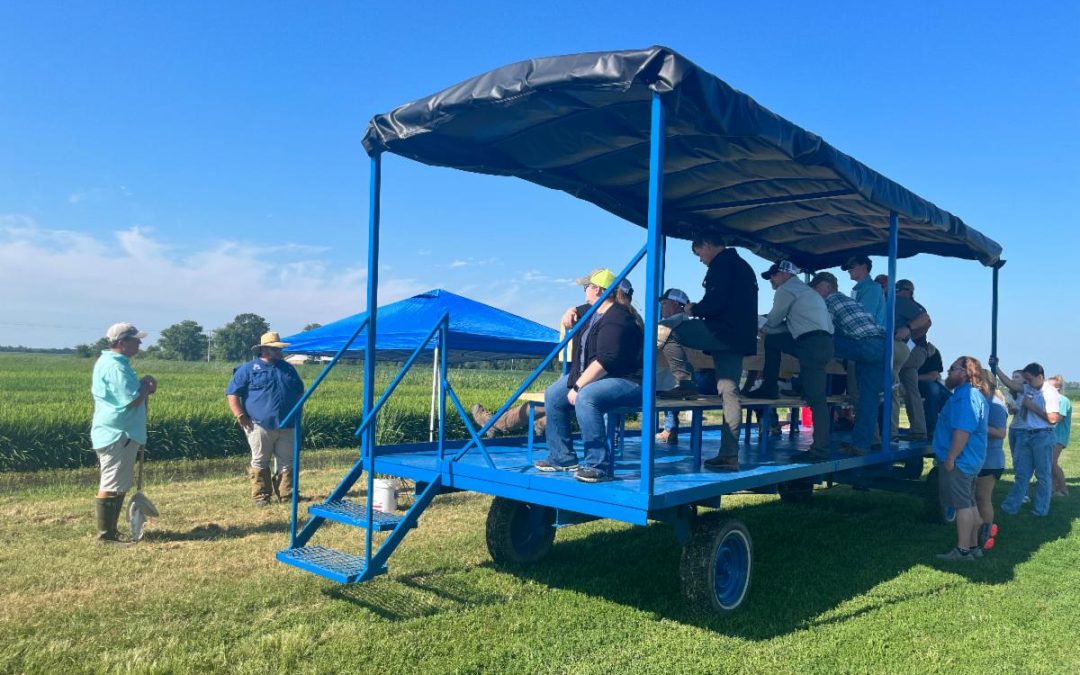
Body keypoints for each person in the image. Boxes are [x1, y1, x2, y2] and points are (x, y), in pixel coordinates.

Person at [658, 236, 758, 470]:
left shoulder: (721, 264)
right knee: (729, 391)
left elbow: (715, 303)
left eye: (699, 253)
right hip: (739, 338)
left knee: (671, 330)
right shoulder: (744, 266)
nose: (700, 259)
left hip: (721, 331)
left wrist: (694, 308)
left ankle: (684, 382)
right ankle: (729, 455)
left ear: (707, 245)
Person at [537, 268, 643, 483]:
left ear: (597, 290)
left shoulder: (618, 318)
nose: (584, 291)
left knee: (587, 397)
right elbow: (579, 310)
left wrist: (578, 386)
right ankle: (562, 457)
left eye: (586, 287)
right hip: (601, 376)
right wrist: (569, 310)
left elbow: (607, 360)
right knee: (553, 395)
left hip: (627, 381)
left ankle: (597, 465)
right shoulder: (592, 311)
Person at [748, 260, 834, 458]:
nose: (771, 279)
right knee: (773, 341)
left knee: (817, 400)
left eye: (773, 275)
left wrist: (758, 324)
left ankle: (820, 450)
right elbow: (788, 326)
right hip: (824, 343)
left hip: (811, 344)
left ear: (785, 274)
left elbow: (773, 321)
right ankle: (772, 386)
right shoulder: (808, 292)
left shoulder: (786, 289)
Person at [91, 323, 157, 544]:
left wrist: (142, 385)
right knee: (111, 483)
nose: (139, 343)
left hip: (118, 432)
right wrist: (146, 387)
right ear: (122, 342)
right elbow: (130, 400)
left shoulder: (114, 363)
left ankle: (111, 531)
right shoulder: (116, 367)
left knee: (117, 483)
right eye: (136, 340)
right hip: (118, 433)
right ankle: (106, 535)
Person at [226, 331, 306, 507]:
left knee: (287, 461)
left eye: (279, 349)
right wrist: (240, 415)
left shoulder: (288, 368)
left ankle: (287, 495)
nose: (279, 352)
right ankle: (261, 496)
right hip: (259, 424)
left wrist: (297, 411)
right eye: (275, 349)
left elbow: (300, 391)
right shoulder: (248, 369)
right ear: (264, 350)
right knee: (260, 460)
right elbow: (232, 394)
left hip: (288, 423)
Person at [809, 272, 885, 456]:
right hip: (880, 346)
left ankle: (808, 378)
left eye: (816, 289)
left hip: (863, 346)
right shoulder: (850, 301)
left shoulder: (830, 301)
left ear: (827, 287)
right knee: (868, 399)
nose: (815, 294)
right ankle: (861, 446)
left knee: (815, 339)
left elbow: (823, 327)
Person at [933, 356, 990, 562]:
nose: (948, 372)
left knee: (962, 506)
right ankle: (974, 547)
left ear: (965, 372)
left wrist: (951, 458)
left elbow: (963, 430)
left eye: (952, 368)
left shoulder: (965, 397)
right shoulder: (972, 395)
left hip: (960, 461)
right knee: (969, 503)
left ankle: (963, 551)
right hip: (969, 461)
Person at [995, 362, 1062, 517]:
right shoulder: (1030, 388)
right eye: (1026, 379)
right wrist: (996, 368)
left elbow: (1053, 418)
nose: (1027, 383)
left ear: (1040, 376)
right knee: (1022, 473)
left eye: (1030, 379)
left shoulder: (1050, 393)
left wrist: (1031, 406)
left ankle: (1040, 510)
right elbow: (1011, 384)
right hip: (1028, 434)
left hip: (1043, 436)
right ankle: (1010, 507)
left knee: (1042, 475)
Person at [654, 288, 716, 444]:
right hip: (706, 382)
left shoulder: (668, 325)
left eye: (665, 303)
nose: (662, 307)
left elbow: (652, 348)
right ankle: (670, 428)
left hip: (686, 384)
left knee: (665, 378)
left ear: (676, 304)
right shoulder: (693, 325)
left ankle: (670, 428)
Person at [891, 279, 932, 441]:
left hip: (909, 351)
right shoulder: (914, 304)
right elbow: (927, 321)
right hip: (916, 352)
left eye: (897, 290)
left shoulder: (902, 302)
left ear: (906, 291)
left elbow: (926, 319)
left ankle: (890, 431)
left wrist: (907, 331)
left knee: (891, 385)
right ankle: (919, 431)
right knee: (911, 390)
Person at [976, 375, 1008, 553]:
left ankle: (985, 536)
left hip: (991, 459)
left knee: (983, 497)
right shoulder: (984, 401)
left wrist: (977, 425)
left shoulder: (995, 405)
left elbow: (1001, 433)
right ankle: (981, 531)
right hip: (981, 457)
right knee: (977, 497)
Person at [917, 341, 952, 435]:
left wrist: (913, 377)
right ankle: (931, 429)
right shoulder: (902, 346)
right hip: (901, 382)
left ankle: (955, 429)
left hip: (921, 382)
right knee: (934, 390)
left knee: (950, 398)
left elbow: (933, 376)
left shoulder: (931, 351)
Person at [841, 254, 885, 326]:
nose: (848, 270)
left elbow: (865, 318)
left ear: (864, 267)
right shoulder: (860, 289)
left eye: (852, 265)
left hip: (871, 332)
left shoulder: (872, 288)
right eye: (848, 268)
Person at [1049, 374, 1071, 497]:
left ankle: (1063, 489)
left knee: (1052, 462)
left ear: (1057, 388)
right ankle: (1053, 488)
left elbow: (1057, 419)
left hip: (1059, 436)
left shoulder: (1063, 400)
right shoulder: (1050, 400)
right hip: (1051, 436)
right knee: (1049, 463)